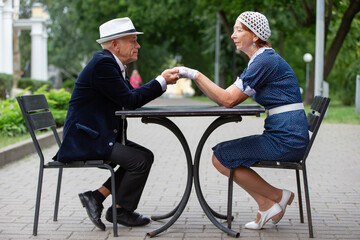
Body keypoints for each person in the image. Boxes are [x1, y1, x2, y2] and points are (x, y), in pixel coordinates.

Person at [177, 11, 309, 230]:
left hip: (286, 140)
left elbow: (228, 100)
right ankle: (267, 203)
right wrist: (195, 77)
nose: (233, 35)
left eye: (239, 30)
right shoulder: (262, 60)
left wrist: (194, 74)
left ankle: (278, 196)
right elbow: (226, 96)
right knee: (222, 154)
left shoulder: (264, 61)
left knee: (221, 156)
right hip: (285, 135)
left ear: (255, 36)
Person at [54, 17, 179, 230]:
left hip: (96, 135)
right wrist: (161, 81)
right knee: (139, 161)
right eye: (133, 41)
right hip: (85, 139)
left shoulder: (111, 64)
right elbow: (130, 100)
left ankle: (97, 198)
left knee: (144, 157)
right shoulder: (103, 64)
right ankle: (120, 211)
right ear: (115, 44)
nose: (138, 45)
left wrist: (159, 83)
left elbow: (129, 96)